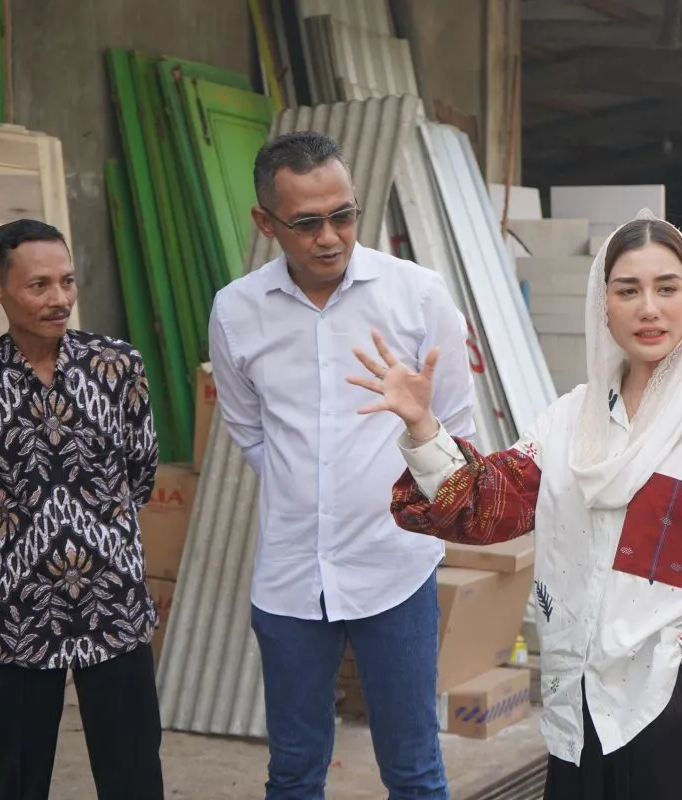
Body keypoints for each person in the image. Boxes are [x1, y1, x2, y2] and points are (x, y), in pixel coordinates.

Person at [348, 211, 682, 799]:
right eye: (627, 290)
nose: (648, 308)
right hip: (580, 706)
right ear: (603, 304)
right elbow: (489, 503)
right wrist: (423, 425)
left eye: (666, 288)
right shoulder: (573, 418)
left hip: (677, 708)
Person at [208, 131, 475, 799]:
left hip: (396, 566)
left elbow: (457, 430)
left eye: (343, 215)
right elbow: (248, 430)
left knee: (414, 769)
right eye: (306, 223)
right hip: (291, 574)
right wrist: (310, 495)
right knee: (294, 771)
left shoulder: (417, 295)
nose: (330, 238)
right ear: (265, 223)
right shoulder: (237, 310)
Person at [0, 218, 164, 800]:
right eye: (38, 285)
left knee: (133, 769)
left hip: (113, 598)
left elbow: (141, 468)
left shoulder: (117, 366)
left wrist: (98, 528)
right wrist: (26, 536)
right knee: (18, 771)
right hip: (21, 606)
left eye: (67, 281)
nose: (59, 298)